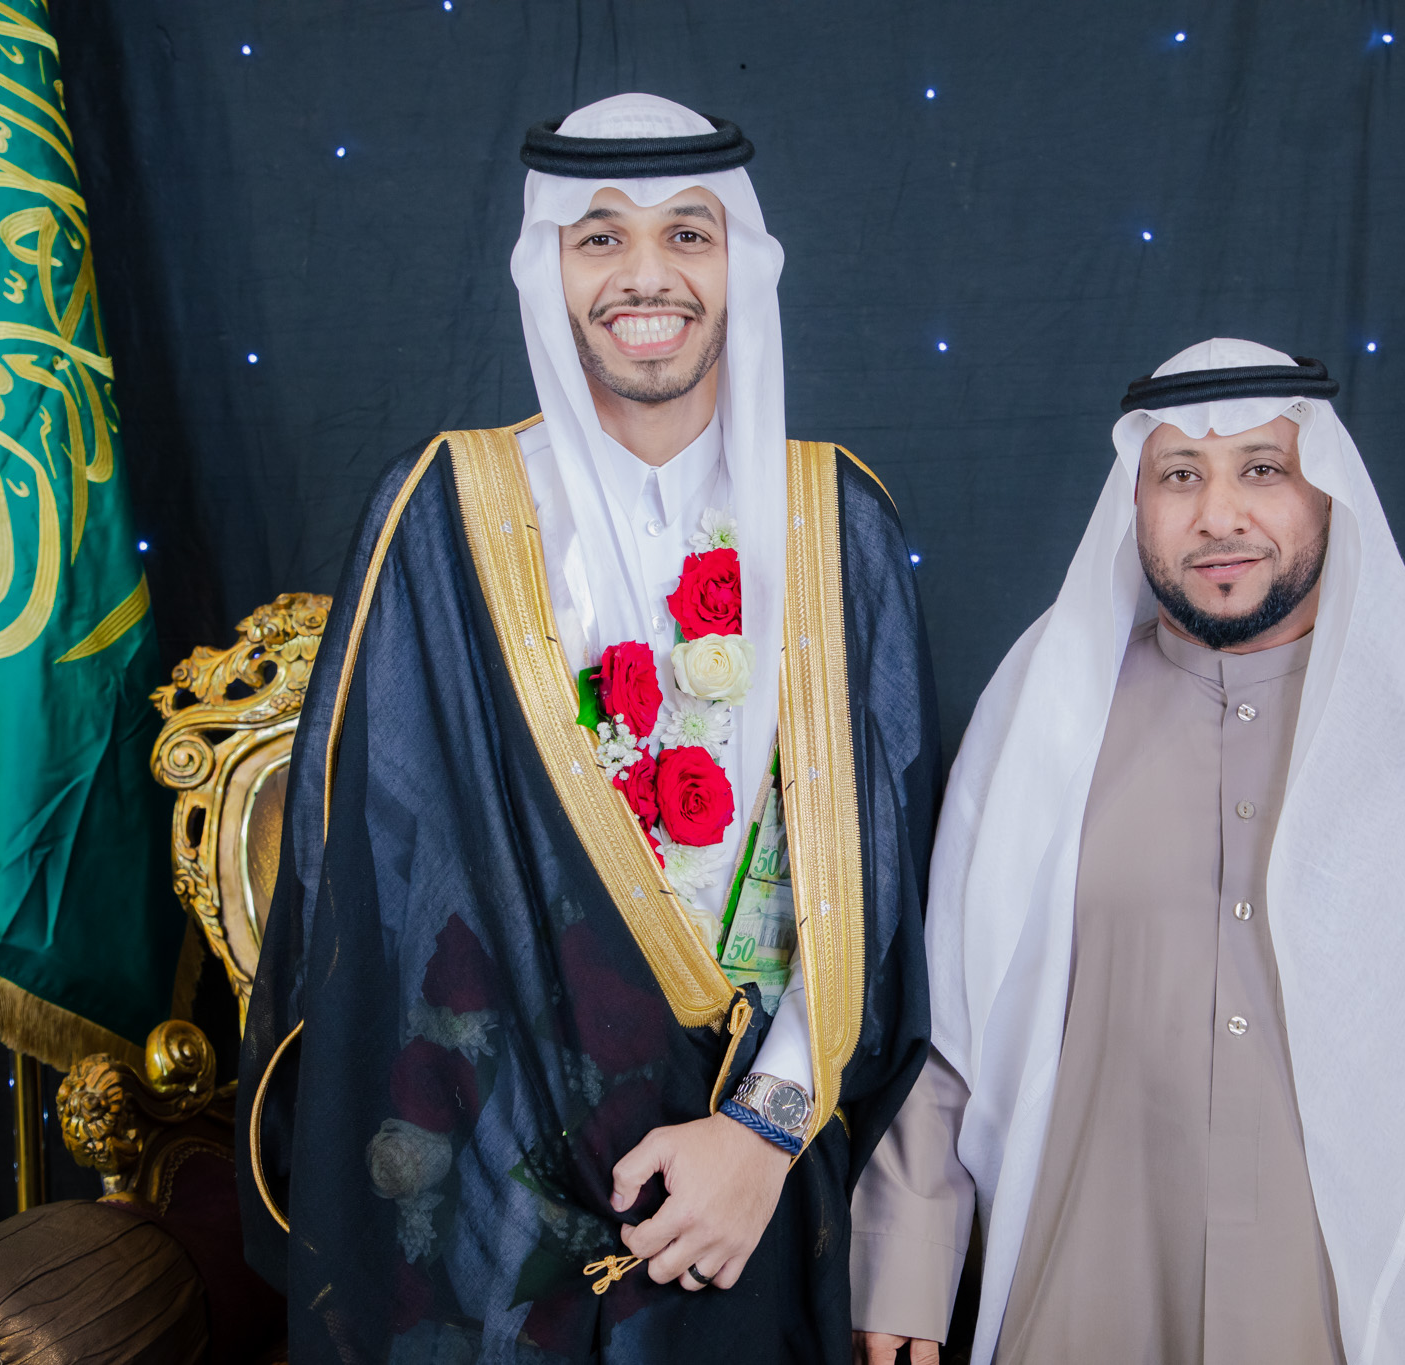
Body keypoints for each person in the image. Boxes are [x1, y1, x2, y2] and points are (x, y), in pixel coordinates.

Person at [237, 94, 939, 1365]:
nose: (645, 275)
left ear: (742, 264)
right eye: (600, 237)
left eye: (688, 234)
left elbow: (878, 892)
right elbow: (377, 889)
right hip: (495, 1178)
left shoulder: (836, 525)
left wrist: (763, 1132)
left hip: (747, 1182)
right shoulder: (444, 512)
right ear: (546, 267)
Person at [850, 339, 1405, 1365]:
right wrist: (905, 1266)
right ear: (1135, 503)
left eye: (1261, 468)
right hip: (1084, 1301)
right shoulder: (1045, 716)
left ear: (1326, 492)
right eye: (1179, 476)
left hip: (1352, 1321)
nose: (1218, 516)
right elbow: (946, 1021)